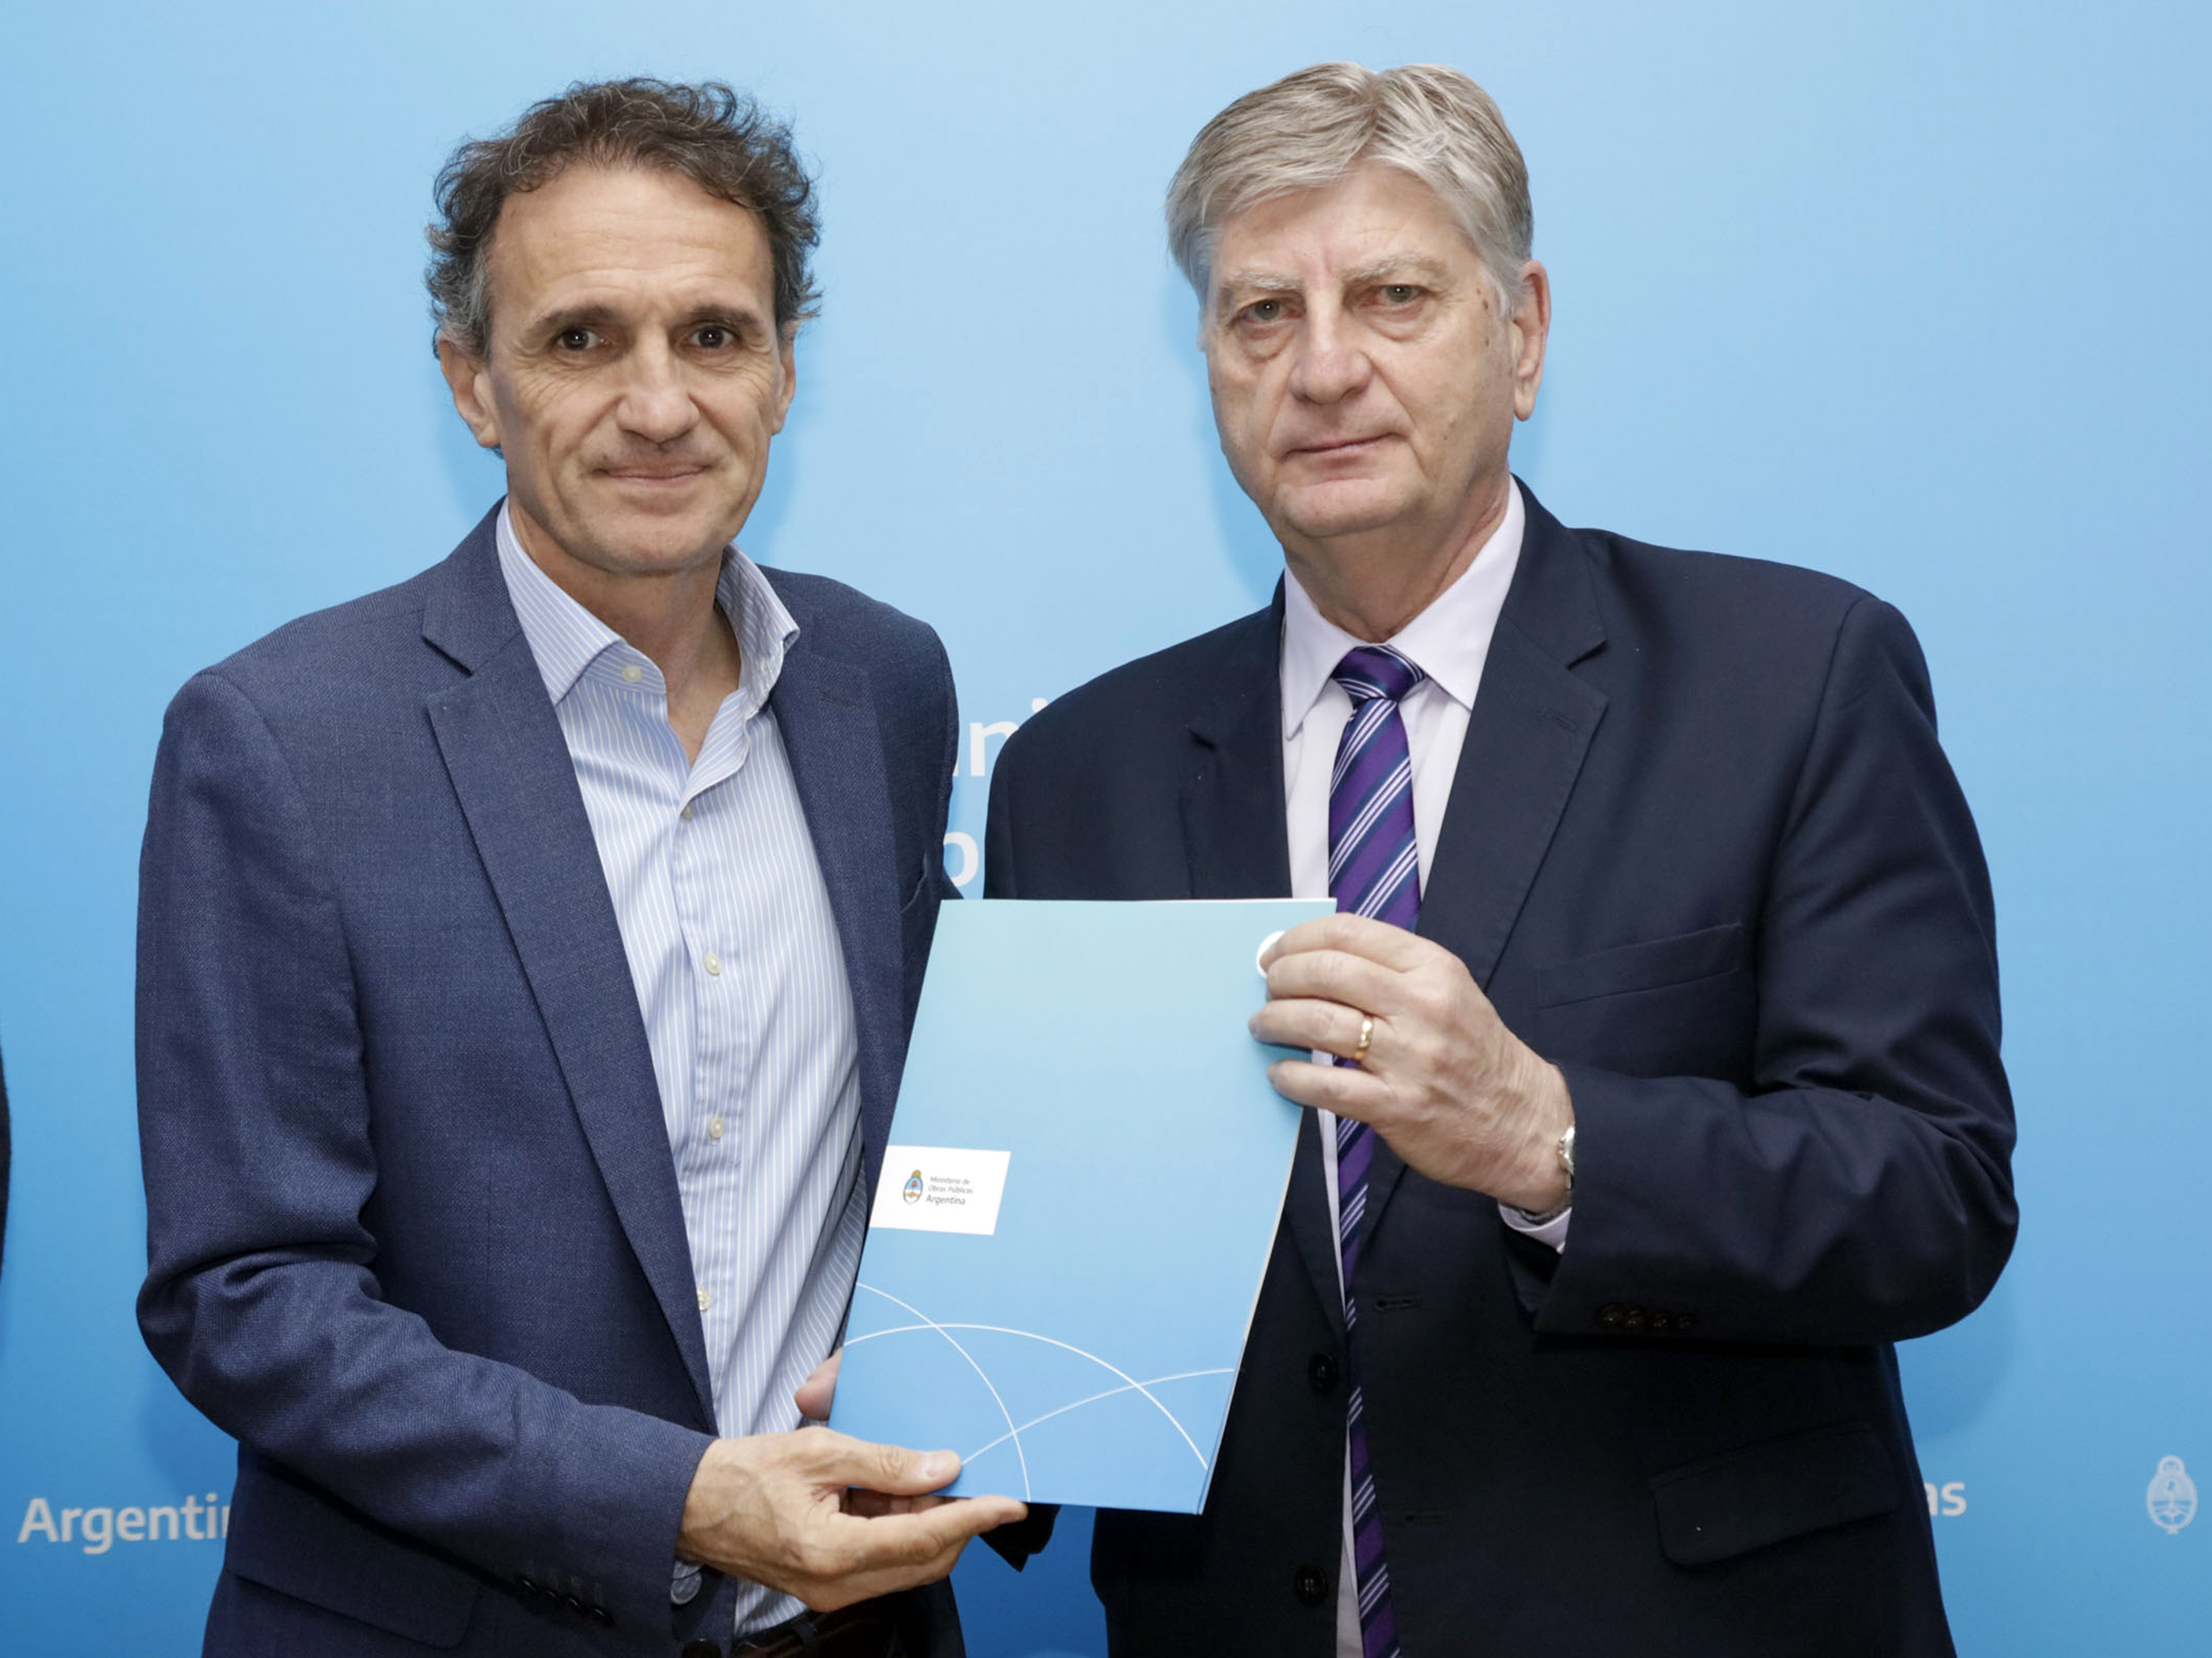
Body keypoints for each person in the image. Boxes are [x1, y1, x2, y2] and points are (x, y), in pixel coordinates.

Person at [982, 62, 2014, 1656]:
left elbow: (1933, 1193)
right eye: (1263, 313)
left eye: (1391, 298)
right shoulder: (1079, 772)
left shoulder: (1789, 677)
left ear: (1520, 332)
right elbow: (1061, 1303)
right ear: (1209, 358)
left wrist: (1550, 1134)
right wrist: (937, 1404)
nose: (1324, 366)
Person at [134, 79, 1021, 1658]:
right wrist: (675, 1498)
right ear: (472, 384)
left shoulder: (881, 685)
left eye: (714, 335)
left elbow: (932, 1144)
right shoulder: (281, 740)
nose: (659, 404)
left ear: (785, 370)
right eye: (581, 340)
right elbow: (247, 1291)